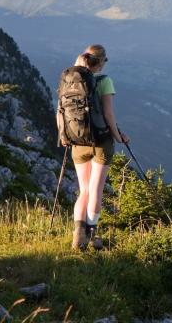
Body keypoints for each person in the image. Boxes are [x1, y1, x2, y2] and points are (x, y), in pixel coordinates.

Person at [70, 44, 129, 250]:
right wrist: (119, 136)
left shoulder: (70, 79)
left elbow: (61, 110)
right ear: (101, 61)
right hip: (100, 142)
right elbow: (108, 114)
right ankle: (92, 236)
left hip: (77, 140)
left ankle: (78, 237)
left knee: (83, 190)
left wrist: (64, 135)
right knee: (96, 189)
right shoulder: (104, 81)